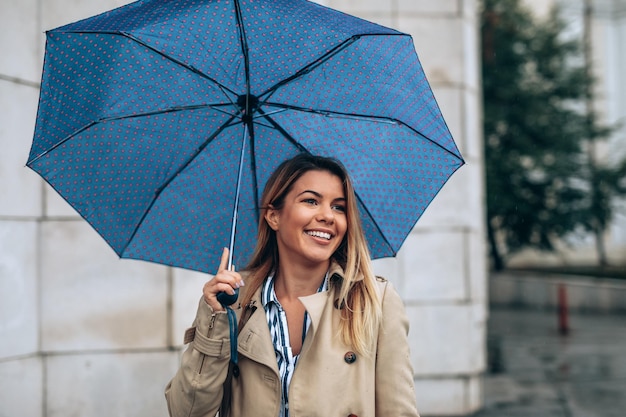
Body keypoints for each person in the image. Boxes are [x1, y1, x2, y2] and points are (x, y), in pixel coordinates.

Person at [165, 153, 419, 417]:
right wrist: (214, 319)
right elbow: (187, 412)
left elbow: (399, 411)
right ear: (274, 216)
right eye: (311, 201)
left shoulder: (375, 300)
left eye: (339, 207)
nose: (328, 216)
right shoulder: (233, 301)